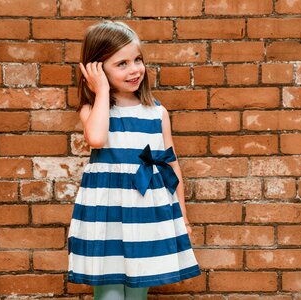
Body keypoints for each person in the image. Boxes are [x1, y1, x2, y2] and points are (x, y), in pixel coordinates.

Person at [67, 21, 201, 300]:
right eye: (122, 63)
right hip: (107, 214)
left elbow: (170, 165)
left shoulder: (156, 112)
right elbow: (96, 139)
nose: (134, 69)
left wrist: (184, 217)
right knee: (109, 294)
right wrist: (101, 90)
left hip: (145, 213)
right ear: (97, 69)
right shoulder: (93, 108)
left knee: (137, 294)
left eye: (137, 59)